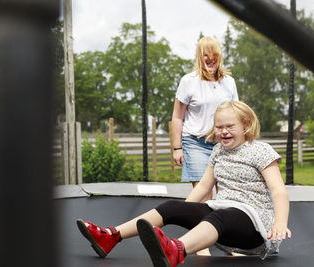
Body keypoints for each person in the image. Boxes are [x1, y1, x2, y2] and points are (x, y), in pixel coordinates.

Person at [76, 100, 291, 267]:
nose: (223, 131)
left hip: (255, 228)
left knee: (221, 215)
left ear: (245, 124)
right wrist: (184, 211)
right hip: (224, 215)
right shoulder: (218, 151)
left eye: (229, 126)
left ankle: (176, 250)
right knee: (172, 207)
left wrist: (280, 223)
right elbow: (205, 187)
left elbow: (278, 191)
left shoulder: (260, 151)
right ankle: (111, 237)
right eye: (219, 127)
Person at [171, 36, 238, 203]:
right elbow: (178, 116)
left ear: (219, 56)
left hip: (224, 144)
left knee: (226, 193)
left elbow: (237, 115)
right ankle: (200, 227)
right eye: (205, 55)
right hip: (196, 143)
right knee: (204, 195)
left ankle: (221, 228)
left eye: (213, 54)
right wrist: (177, 147)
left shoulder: (229, 82)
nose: (210, 59)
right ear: (199, 57)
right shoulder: (189, 81)